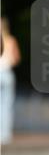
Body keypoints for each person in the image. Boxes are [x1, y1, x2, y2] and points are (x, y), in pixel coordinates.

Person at [0, 17, 20, 145]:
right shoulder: (11, 40)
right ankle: (5, 135)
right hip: (7, 73)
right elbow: (16, 59)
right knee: (6, 105)